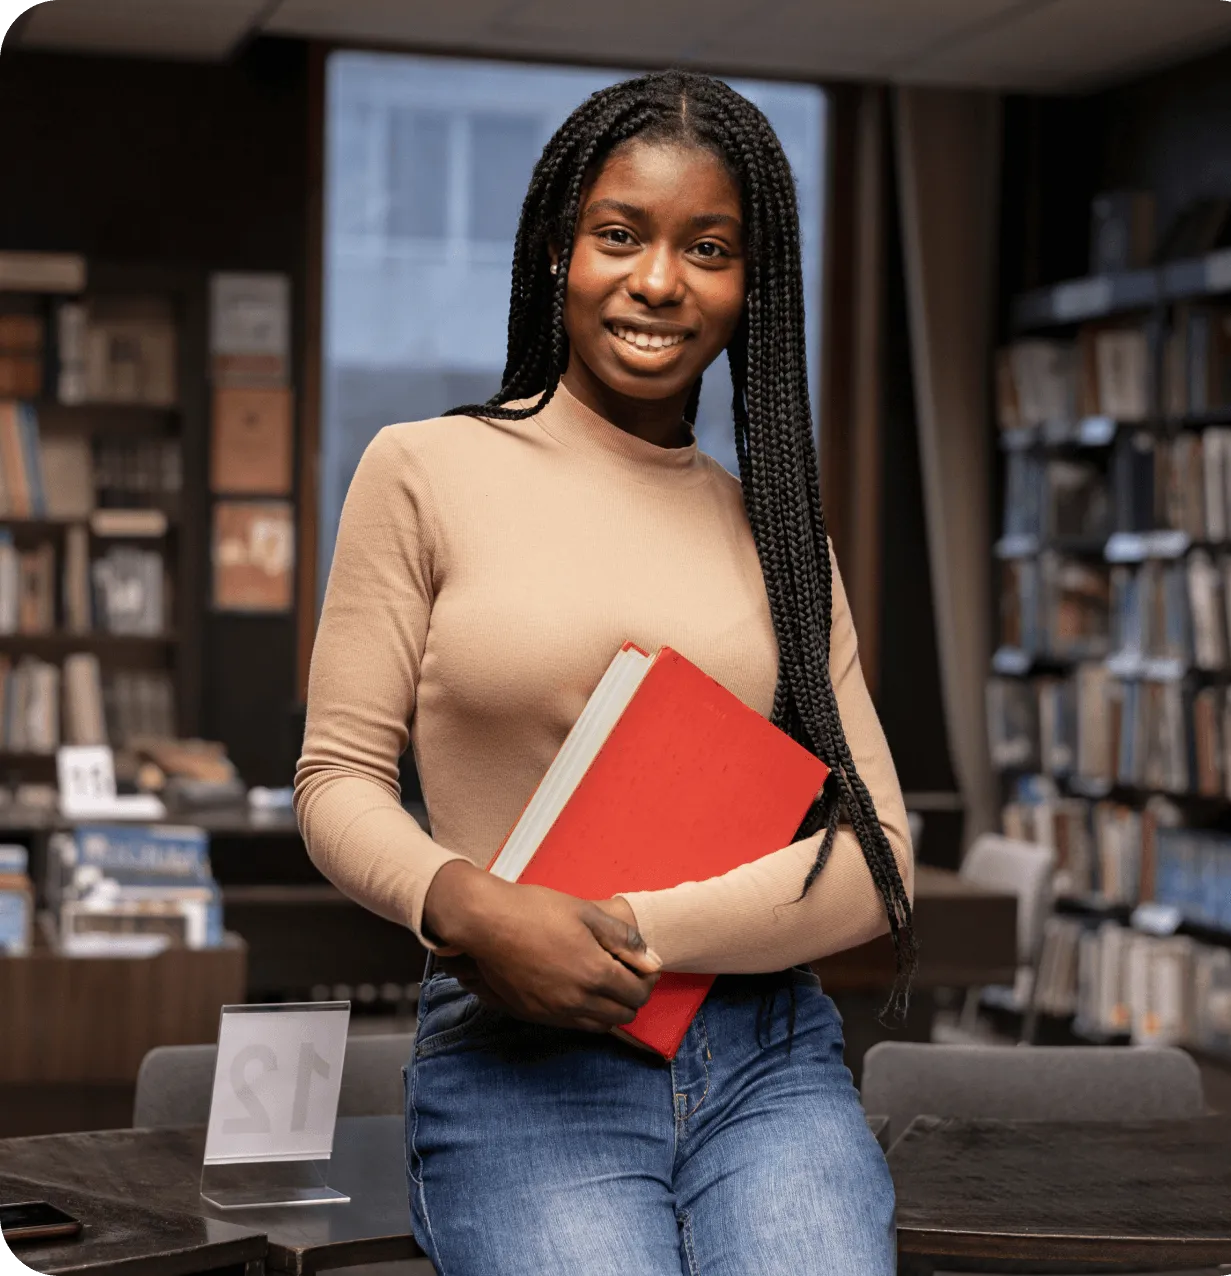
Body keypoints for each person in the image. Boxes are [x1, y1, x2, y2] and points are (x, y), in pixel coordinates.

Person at [296, 68, 915, 1276]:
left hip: (766, 1052)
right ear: (554, 253)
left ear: (750, 289)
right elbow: (334, 779)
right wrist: (469, 905)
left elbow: (877, 852)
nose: (657, 282)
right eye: (618, 235)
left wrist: (626, 930)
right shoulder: (424, 469)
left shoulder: (782, 534)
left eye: (709, 248)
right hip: (518, 1057)